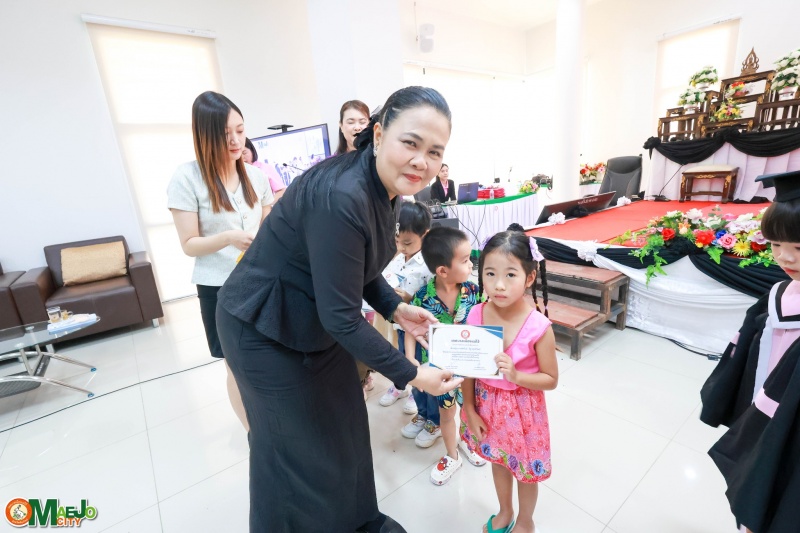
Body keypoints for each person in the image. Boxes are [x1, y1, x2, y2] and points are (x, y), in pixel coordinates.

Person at [215, 86, 461, 533]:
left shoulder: (387, 189)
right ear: (379, 134)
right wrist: (411, 373)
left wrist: (394, 308)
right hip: (263, 327)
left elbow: (356, 268)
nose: (420, 161)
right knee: (295, 452)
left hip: (314, 319)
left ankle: (357, 521)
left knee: (344, 431)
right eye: (411, 142)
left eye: (434, 151)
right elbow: (342, 317)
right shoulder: (343, 195)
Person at [167, 91, 274, 433]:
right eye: (226, 134)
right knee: (236, 367)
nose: (236, 141)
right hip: (219, 288)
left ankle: (276, 424)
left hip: (261, 284)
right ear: (204, 135)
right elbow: (189, 244)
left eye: (240, 130)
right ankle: (255, 434)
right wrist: (228, 237)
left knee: (270, 359)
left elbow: (268, 228)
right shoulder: (186, 178)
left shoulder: (256, 177)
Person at [700, 170, 800, 533]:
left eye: (799, 248)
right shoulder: (779, 295)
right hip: (763, 411)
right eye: (775, 244)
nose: (785, 258)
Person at [461, 229, 558, 533]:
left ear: (530, 277)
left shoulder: (539, 326)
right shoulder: (476, 314)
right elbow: (469, 369)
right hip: (487, 405)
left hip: (524, 411)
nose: (499, 285)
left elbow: (551, 379)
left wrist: (516, 376)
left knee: (525, 470)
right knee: (499, 460)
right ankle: (505, 511)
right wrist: (469, 409)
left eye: (510, 275)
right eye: (490, 273)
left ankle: (526, 522)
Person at [402, 226, 486, 485]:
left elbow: (486, 321)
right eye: (465, 260)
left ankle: (469, 443)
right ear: (442, 271)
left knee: (471, 410)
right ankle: (452, 455)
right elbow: (410, 328)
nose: (471, 265)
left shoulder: (474, 291)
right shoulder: (422, 298)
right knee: (447, 414)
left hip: (472, 370)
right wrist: (410, 358)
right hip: (441, 372)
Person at [378, 201, 435, 414]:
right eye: (397, 241)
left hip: (420, 327)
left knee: (417, 358)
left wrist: (410, 299)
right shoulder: (398, 259)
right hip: (400, 323)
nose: (401, 247)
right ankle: (401, 385)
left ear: (425, 235)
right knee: (401, 354)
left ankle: (416, 389)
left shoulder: (429, 265)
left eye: (407, 243)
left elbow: (433, 299)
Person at [242, 138, 287, 203]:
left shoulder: (265, 168)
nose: (241, 158)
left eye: (244, 153)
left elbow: (281, 190)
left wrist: (268, 205)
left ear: (252, 151)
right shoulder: (233, 173)